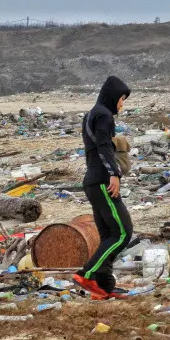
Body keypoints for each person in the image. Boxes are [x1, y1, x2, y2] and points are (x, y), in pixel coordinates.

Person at [73, 76, 134, 300]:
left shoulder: (92, 114)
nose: (121, 104)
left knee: (108, 233)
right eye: (121, 99)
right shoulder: (104, 116)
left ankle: (103, 286)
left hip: (92, 181)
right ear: (112, 96)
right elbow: (103, 146)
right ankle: (87, 274)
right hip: (101, 181)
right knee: (122, 232)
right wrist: (114, 173)